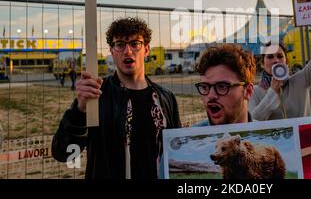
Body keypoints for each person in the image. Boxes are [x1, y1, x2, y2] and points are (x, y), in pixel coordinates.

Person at [52, 17, 181, 179]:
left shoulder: (165, 97)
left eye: (135, 44)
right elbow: (63, 153)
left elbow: (177, 152)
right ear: (112, 51)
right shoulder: (96, 95)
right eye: (120, 44)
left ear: (146, 49)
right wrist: (80, 109)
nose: (127, 51)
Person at [249, 4, 311, 120]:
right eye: (270, 57)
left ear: (287, 61)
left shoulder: (301, 80)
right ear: (262, 63)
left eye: (280, 56)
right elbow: (255, 119)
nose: (276, 60)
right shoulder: (255, 92)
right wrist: (272, 93)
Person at [193, 44, 256, 126]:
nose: (211, 95)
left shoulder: (268, 136)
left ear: (248, 91)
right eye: (205, 87)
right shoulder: (191, 137)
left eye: (222, 86)